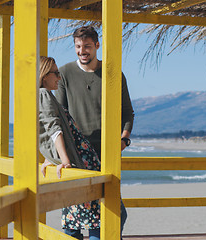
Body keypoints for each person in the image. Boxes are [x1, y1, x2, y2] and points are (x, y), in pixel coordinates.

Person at [55, 26, 135, 239]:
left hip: (106, 154)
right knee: (73, 215)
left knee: (112, 212)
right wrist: (55, 155)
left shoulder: (113, 74)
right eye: (78, 46)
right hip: (76, 154)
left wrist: (124, 140)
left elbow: (127, 112)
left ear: (97, 46)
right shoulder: (64, 73)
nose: (82, 51)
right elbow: (59, 118)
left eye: (87, 46)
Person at [38, 56, 103, 240]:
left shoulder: (46, 95)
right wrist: (63, 160)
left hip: (80, 159)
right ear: (44, 76)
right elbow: (53, 128)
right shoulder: (43, 94)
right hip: (79, 160)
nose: (59, 77)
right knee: (95, 218)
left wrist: (50, 158)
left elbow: (51, 131)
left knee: (79, 216)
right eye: (56, 73)